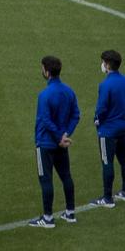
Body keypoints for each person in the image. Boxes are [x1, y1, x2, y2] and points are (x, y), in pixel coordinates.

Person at [29, 56, 80, 228]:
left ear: (47, 72)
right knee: (66, 176)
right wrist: (65, 134)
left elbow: (45, 120)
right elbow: (76, 115)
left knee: (46, 180)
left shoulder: (44, 95)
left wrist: (59, 136)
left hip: (45, 143)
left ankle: (48, 218)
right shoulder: (69, 91)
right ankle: (70, 212)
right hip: (61, 144)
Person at [91, 49, 125, 209]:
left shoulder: (105, 84)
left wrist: (97, 120)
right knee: (124, 159)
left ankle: (107, 197)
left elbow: (102, 108)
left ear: (107, 64)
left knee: (107, 162)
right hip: (122, 125)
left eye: (103, 62)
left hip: (107, 129)